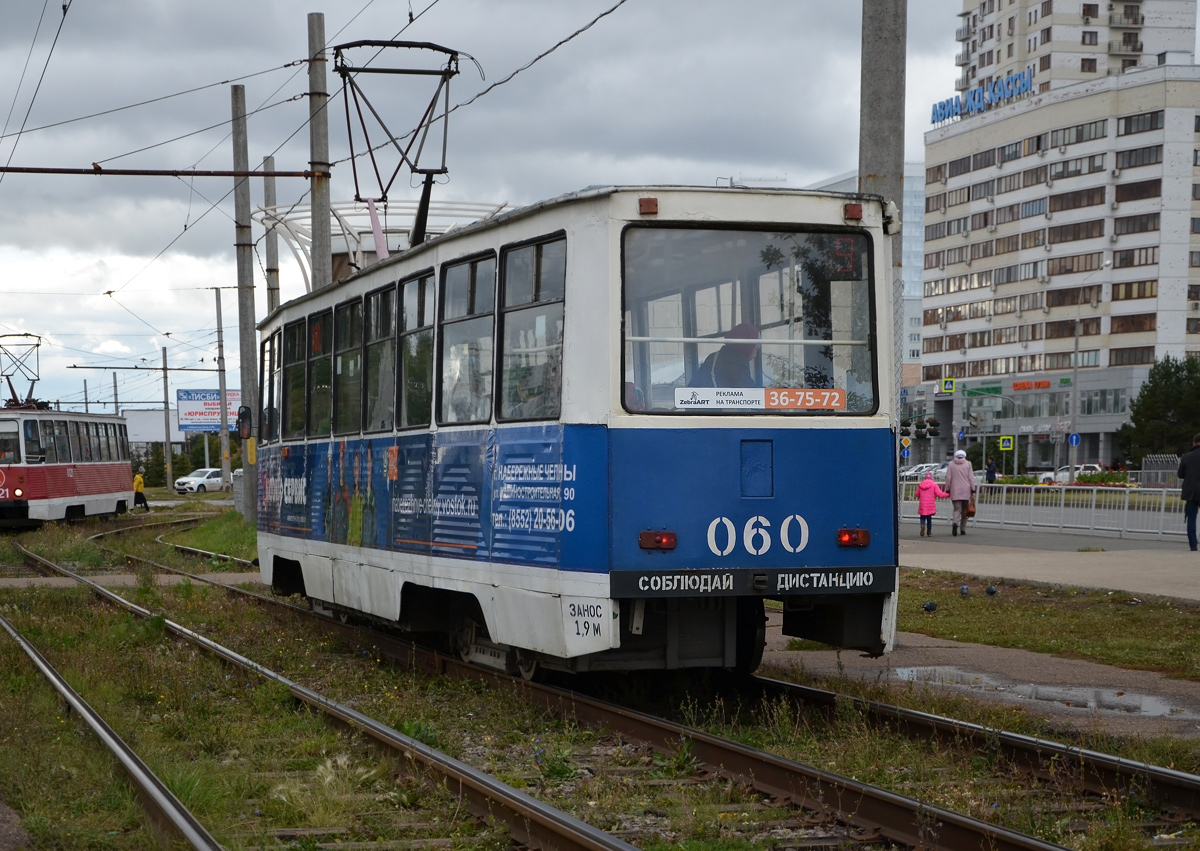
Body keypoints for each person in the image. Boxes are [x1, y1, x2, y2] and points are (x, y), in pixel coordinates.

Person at [690, 323, 760, 388]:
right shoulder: (737, 361)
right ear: (746, 344)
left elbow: (693, 386)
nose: (755, 355)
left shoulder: (713, 357)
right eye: (754, 349)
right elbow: (748, 390)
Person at [945, 449, 976, 537]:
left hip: (955, 490)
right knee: (964, 510)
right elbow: (971, 478)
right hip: (966, 490)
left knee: (957, 509)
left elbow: (948, 478)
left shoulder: (951, 464)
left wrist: (947, 489)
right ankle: (963, 529)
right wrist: (973, 490)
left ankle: (955, 523)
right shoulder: (968, 464)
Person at [1178, 433, 1200, 551]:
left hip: (1191, 492)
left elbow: (1180, 474)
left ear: (1193, 443)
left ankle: (1193, 545)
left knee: (1191, 518)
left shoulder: (1186, 456)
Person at [916, 470, 949, 537]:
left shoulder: (920, 485)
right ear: (931, 477)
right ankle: (929, 532)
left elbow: (917, 494)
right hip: (930, 505)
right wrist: (948, 494)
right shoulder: (934, 485)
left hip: (922, 504)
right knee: (929, 518)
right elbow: (939, 494)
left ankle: (922, 525)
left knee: (922, 517)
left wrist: (921, 496)